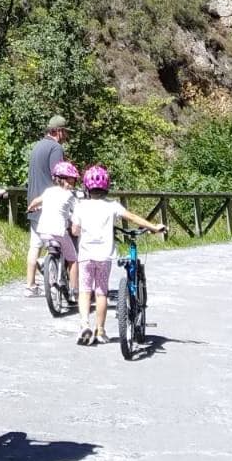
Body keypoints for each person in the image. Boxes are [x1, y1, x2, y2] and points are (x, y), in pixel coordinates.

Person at [71, 164, 165, 346]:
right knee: (101, 292)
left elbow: (75, 231)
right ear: (106, 187)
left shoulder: (80, 206)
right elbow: (133, 217)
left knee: (84, 291)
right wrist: (153, 227)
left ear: (87, 187)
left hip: (85, 255)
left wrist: (79, 229)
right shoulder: (112, 205)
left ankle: (84, 325)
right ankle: (100, 331)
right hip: (104, 256)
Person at [24, 115, 69, 295]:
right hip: (48, 202)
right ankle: (56, 279)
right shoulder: (55, 148)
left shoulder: (37, 146)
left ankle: (30, 285)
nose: (66, 135)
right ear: (58, 131)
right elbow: (58, 174)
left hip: (33, 201)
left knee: (35, 245)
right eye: (65, 131)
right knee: (59, 241)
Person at [27, 160, 81, 298]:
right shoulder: (70, 196)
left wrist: (31, 208)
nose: (73, 183)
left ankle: (45, 262)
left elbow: (35, 202)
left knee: (50, 245)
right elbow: (77, 211)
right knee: (73, 259)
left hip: (43, 231)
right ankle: (75, 291)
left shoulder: (48, 192)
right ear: (67, 180)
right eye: (72, 181)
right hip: (59, 232)